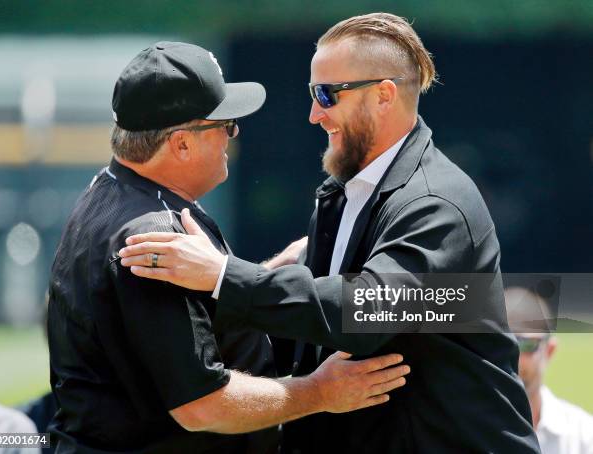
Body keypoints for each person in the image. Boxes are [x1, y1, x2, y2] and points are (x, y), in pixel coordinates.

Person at [118, 13, 542, 453]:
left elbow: (365, 312)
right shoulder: (347, 189)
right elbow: (311, 328)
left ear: (383, 95)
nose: (314, 114)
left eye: (327, 94)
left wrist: (225, 275)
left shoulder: (435, 204)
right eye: (312, 93)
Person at [46, 41, 410, 454]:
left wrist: (263, 275)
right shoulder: (156, 235)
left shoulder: (112, 190)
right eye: (225, 124)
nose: (232, 135)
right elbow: (201, 406)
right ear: (181, 143)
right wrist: (320, 393)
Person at [505, 287, 593, 454]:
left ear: (549, 350)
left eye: (526, 344)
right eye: (503, 344)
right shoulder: (463, 430)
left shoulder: (584, 437)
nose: (513, 356)